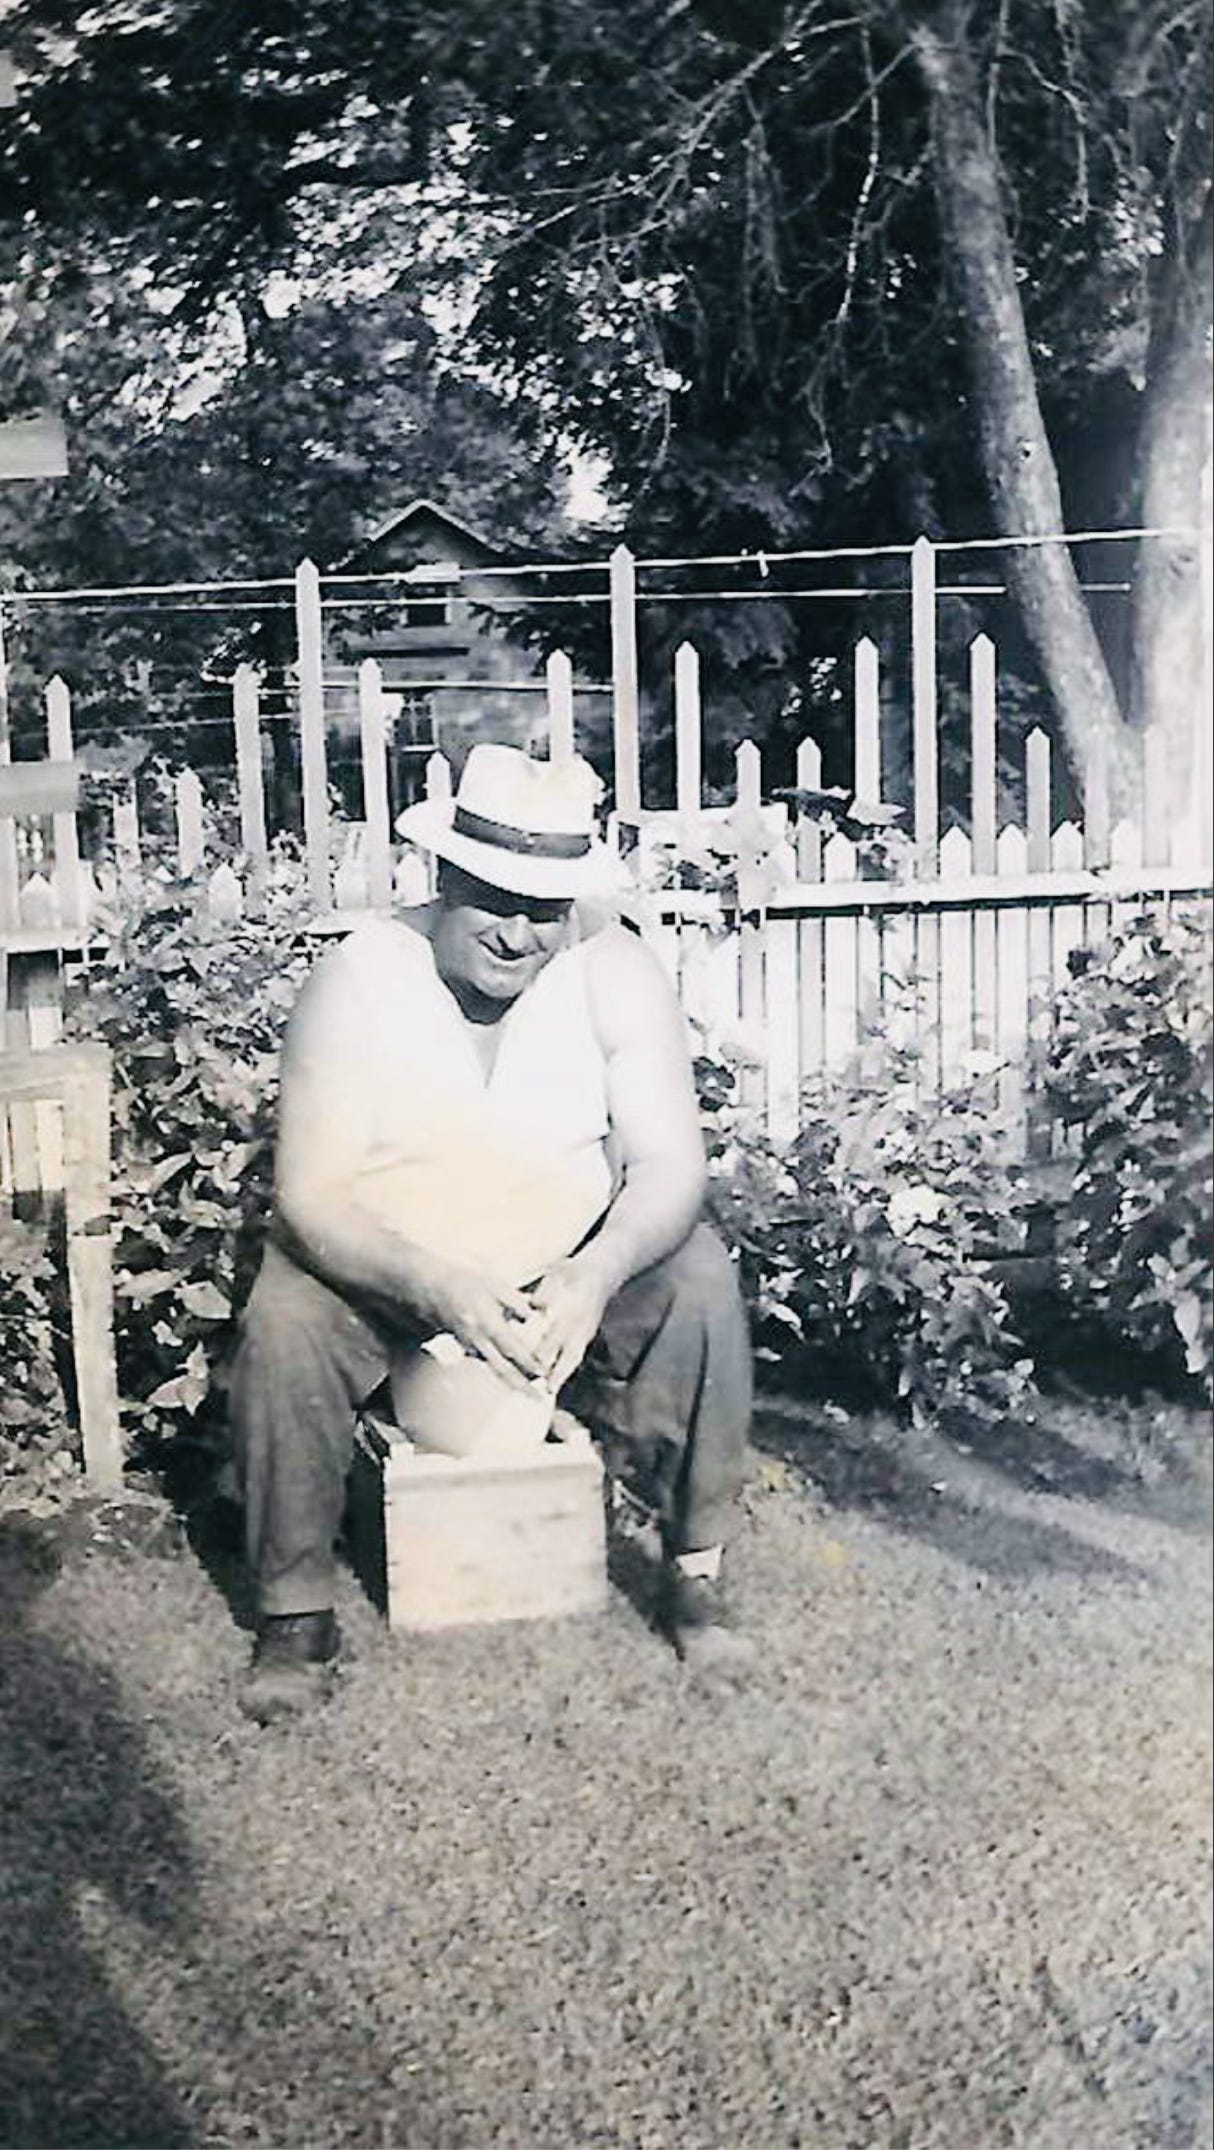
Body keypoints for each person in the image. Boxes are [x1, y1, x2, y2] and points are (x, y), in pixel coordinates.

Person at [230, 743, 754, 1723]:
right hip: (390, 1262)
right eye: (494, 901)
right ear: (444, 878)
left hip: (562, 1251)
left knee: (695, 1277)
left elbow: (670, 1164)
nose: (518, 934)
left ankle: (694, 1569)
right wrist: (430, 1282)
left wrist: (594, 1272)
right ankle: (293, 1612)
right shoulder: (358, 975)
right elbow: (309, 1195)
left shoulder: (615, 966)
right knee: (285, 1318)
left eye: (543, 909)